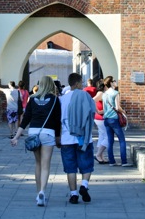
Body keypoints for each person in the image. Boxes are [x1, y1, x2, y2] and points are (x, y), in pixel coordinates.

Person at [11, 75, 61, 206]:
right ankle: (43, 192)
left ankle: (38, 191)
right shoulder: (55, 100)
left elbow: (26, 119)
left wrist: (16, 137)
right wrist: (58, 137)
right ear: (51, 85)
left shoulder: (32, 99)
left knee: (37, 164)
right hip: (48, 133)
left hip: (34, 132)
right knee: (46, 165)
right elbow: (57, 120)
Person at [59, 72, 96, 203]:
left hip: (67, 138)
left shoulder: (62, 99)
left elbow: (59, 120)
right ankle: (84, 185)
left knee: (70, 168)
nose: (83, 85)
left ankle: (73, 194)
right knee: (86, 165)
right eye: (81, 82)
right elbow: (92, 113)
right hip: (83, 138)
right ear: (77, 83)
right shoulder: (85, 96)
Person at [102, 75, 132, 167]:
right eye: (114, 81)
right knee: (122, 140)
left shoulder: (104, 94)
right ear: (111, 83)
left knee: (110, 141)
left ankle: (111, 161)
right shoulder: (115, 93)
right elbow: (117, 107)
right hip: (114, 119)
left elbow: (104, 108)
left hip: (106, 119)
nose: (116, 82)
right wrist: (124, 112)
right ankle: (124, 161)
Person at [93, 81, 108, 163]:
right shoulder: (101, 93)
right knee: (107, 137)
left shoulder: (100, 93)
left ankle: (100, 156)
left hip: (99, 118)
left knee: (102, 136)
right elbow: (92, 100)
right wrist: (99, 111)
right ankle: (98, 154)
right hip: (101, 118)